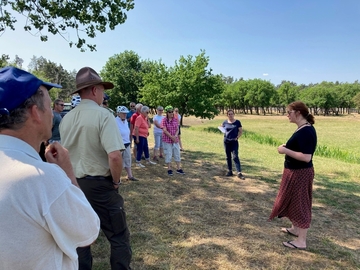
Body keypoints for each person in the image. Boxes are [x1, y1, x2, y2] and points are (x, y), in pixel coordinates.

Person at [0, 66, 100, 269]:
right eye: (48, 105)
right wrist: (67, 172)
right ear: (35, 112)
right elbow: (88, 232)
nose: (53, 114)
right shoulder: (41, 178)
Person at [60, 67, 132, 270]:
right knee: (118, 236)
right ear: (93, 90)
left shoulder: (67, 118)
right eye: (102, 89)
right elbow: (115, 156)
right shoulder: (104, 115)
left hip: (74, 185)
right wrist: (116, 182)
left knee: (80, 240)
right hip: (100, 185)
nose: (103, 94)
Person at [269, 101, 317, 250]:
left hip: (300, 173)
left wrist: (285, 151)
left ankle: (301, 241)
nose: (287, 115)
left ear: (298, 113)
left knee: (300, 204)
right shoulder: (301, 129)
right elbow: (299, 147)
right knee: (292, 201)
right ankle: (295, 229)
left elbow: (306, 157)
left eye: (289, 112)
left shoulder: (306, 131)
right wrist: (287, 146)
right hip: (293, 171)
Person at [116, 105, 139, 181]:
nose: (125, 115)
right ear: (118, 113)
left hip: (127, 143)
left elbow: (127, 131)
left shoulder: (125, 121)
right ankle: (117, 178)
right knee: (118, 163)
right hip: (119, 145)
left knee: (128, 160)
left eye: (125, 113)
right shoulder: (115, 121)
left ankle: (130, 175)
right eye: (123, 113)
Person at [221, 109, 245, 179]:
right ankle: (230, 171)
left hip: (234, 141)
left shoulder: (237, 122)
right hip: (226, 141)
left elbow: (240, 131)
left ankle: (239, 172)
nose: (230, 115)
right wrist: (221, 127)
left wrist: (237, 137)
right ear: (227, 115)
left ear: (234, 114)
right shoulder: (225, 122)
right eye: (229, 114)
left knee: (235, 156)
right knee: (228, 157)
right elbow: (223, 129)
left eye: (232, 114)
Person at [161, 106, 185, 176]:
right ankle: (169, 169)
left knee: (177, 153)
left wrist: (175, 136)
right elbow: (164, 130)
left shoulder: (175, 119)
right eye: (170, 112)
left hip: (175, 140)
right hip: (167, 140)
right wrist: (171, 137)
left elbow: (177, 129)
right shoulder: (164, 120)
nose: (171, 113)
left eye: (172, 112)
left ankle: (178, 168)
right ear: (167, 113)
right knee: (168, 154)